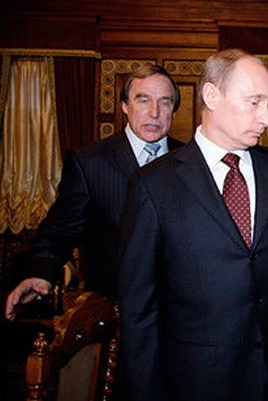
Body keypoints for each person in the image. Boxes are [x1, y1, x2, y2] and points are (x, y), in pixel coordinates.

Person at [118, 49, 268, 401]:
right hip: (196, 380)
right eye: (254, 102)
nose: (266, 118)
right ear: (211, 95)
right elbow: (139, 306)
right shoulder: (153, 185)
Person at [4, 64, 183, 320]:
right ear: (125, 105)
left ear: (174, 110)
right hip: (112, 315)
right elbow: (61, 230)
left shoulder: (192, 162)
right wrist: (40, 273)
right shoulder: (89, 163)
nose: (154, 113)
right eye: (143, 100)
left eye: (165, 103)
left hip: (180, 315)